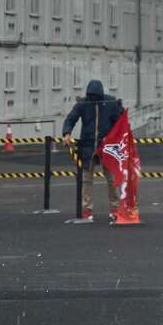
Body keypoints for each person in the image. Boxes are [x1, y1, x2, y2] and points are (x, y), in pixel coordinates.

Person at [61, 79, 124, 222]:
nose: (93, 99)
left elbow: (120, 122)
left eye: (95, 97)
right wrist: (67, 133)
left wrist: (119, 138)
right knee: (87, 180)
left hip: (107, 147)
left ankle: (115, 208)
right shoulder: (83, 103)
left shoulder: (111, 103)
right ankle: (86, 210)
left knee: (112, 179)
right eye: (91, 97)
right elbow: (70, 119)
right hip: (88, 146)